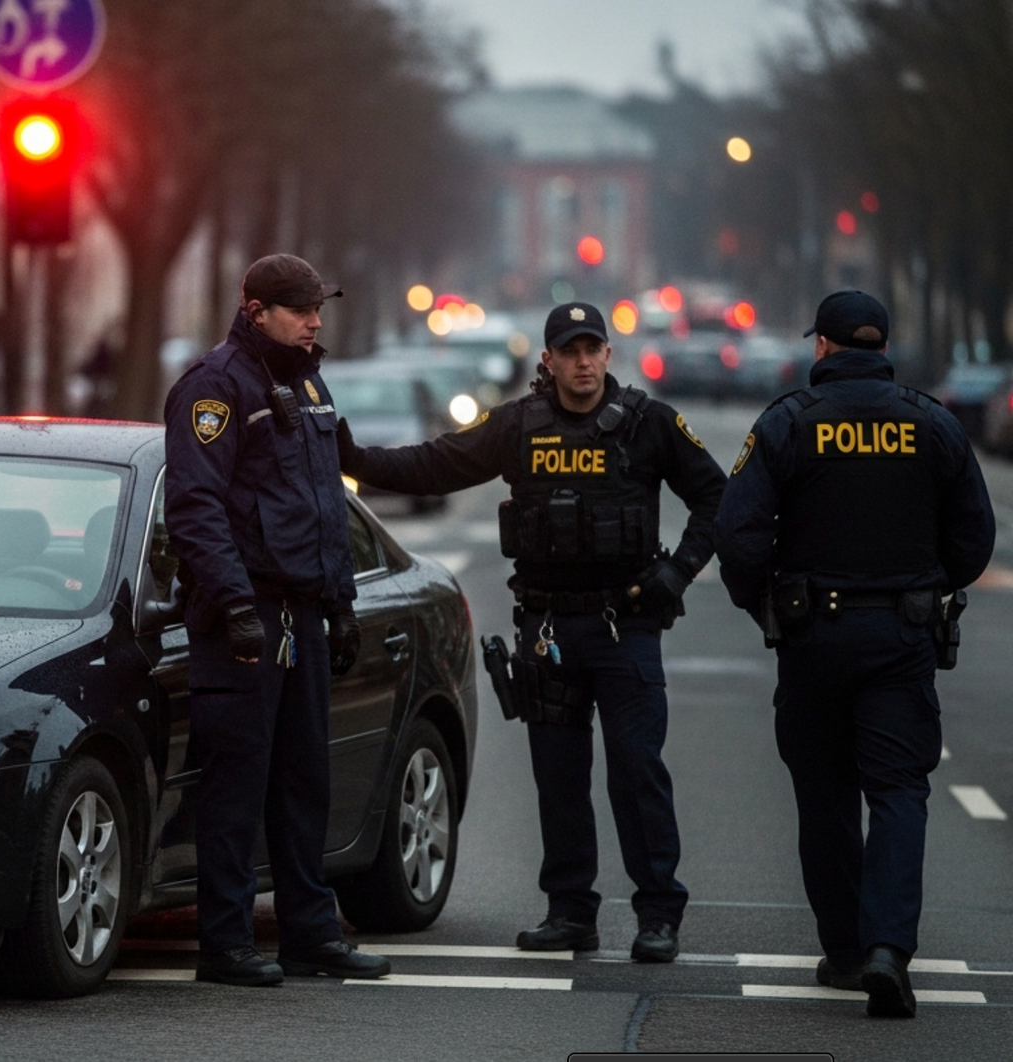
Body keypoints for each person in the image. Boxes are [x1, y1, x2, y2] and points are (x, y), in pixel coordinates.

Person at [337, 302, 727, 963]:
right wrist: (352, 457)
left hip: (623, 624)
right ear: (546, 359)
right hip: (548, 628)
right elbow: (436, 464)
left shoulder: (648, 424)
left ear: (608, 354)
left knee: (637, 772)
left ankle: (658, 913)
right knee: (559, 776)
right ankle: (570, 911)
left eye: (592, 349)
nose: (581, 362)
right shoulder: (519, 426)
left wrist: (678, 573)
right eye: (568, 350)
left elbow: (718, 497)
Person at [714, 290, 995, 1018]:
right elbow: (974, 538)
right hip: (903, 637)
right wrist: (926, 582)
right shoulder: (932, 423)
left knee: (825, 792)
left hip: (814, 638)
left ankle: (842, 950)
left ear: (825, 349)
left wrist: (764, 605)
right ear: (882, 345)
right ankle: (888, 950)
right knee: (899, 791)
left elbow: (739, 535)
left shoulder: (787, 423)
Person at [163, 254, 390, 987]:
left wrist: (343, 602)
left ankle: (310, 933)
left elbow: (326, 504)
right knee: (236, 787)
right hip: (245, 617)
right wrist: (233, 605)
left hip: (303, 614)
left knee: (304, 782)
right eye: (299, 308)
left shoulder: (308, 382)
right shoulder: (215, 387)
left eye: (318, 305)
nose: (315, 318)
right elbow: (196, 510)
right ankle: (224, 944)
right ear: (255, 309)